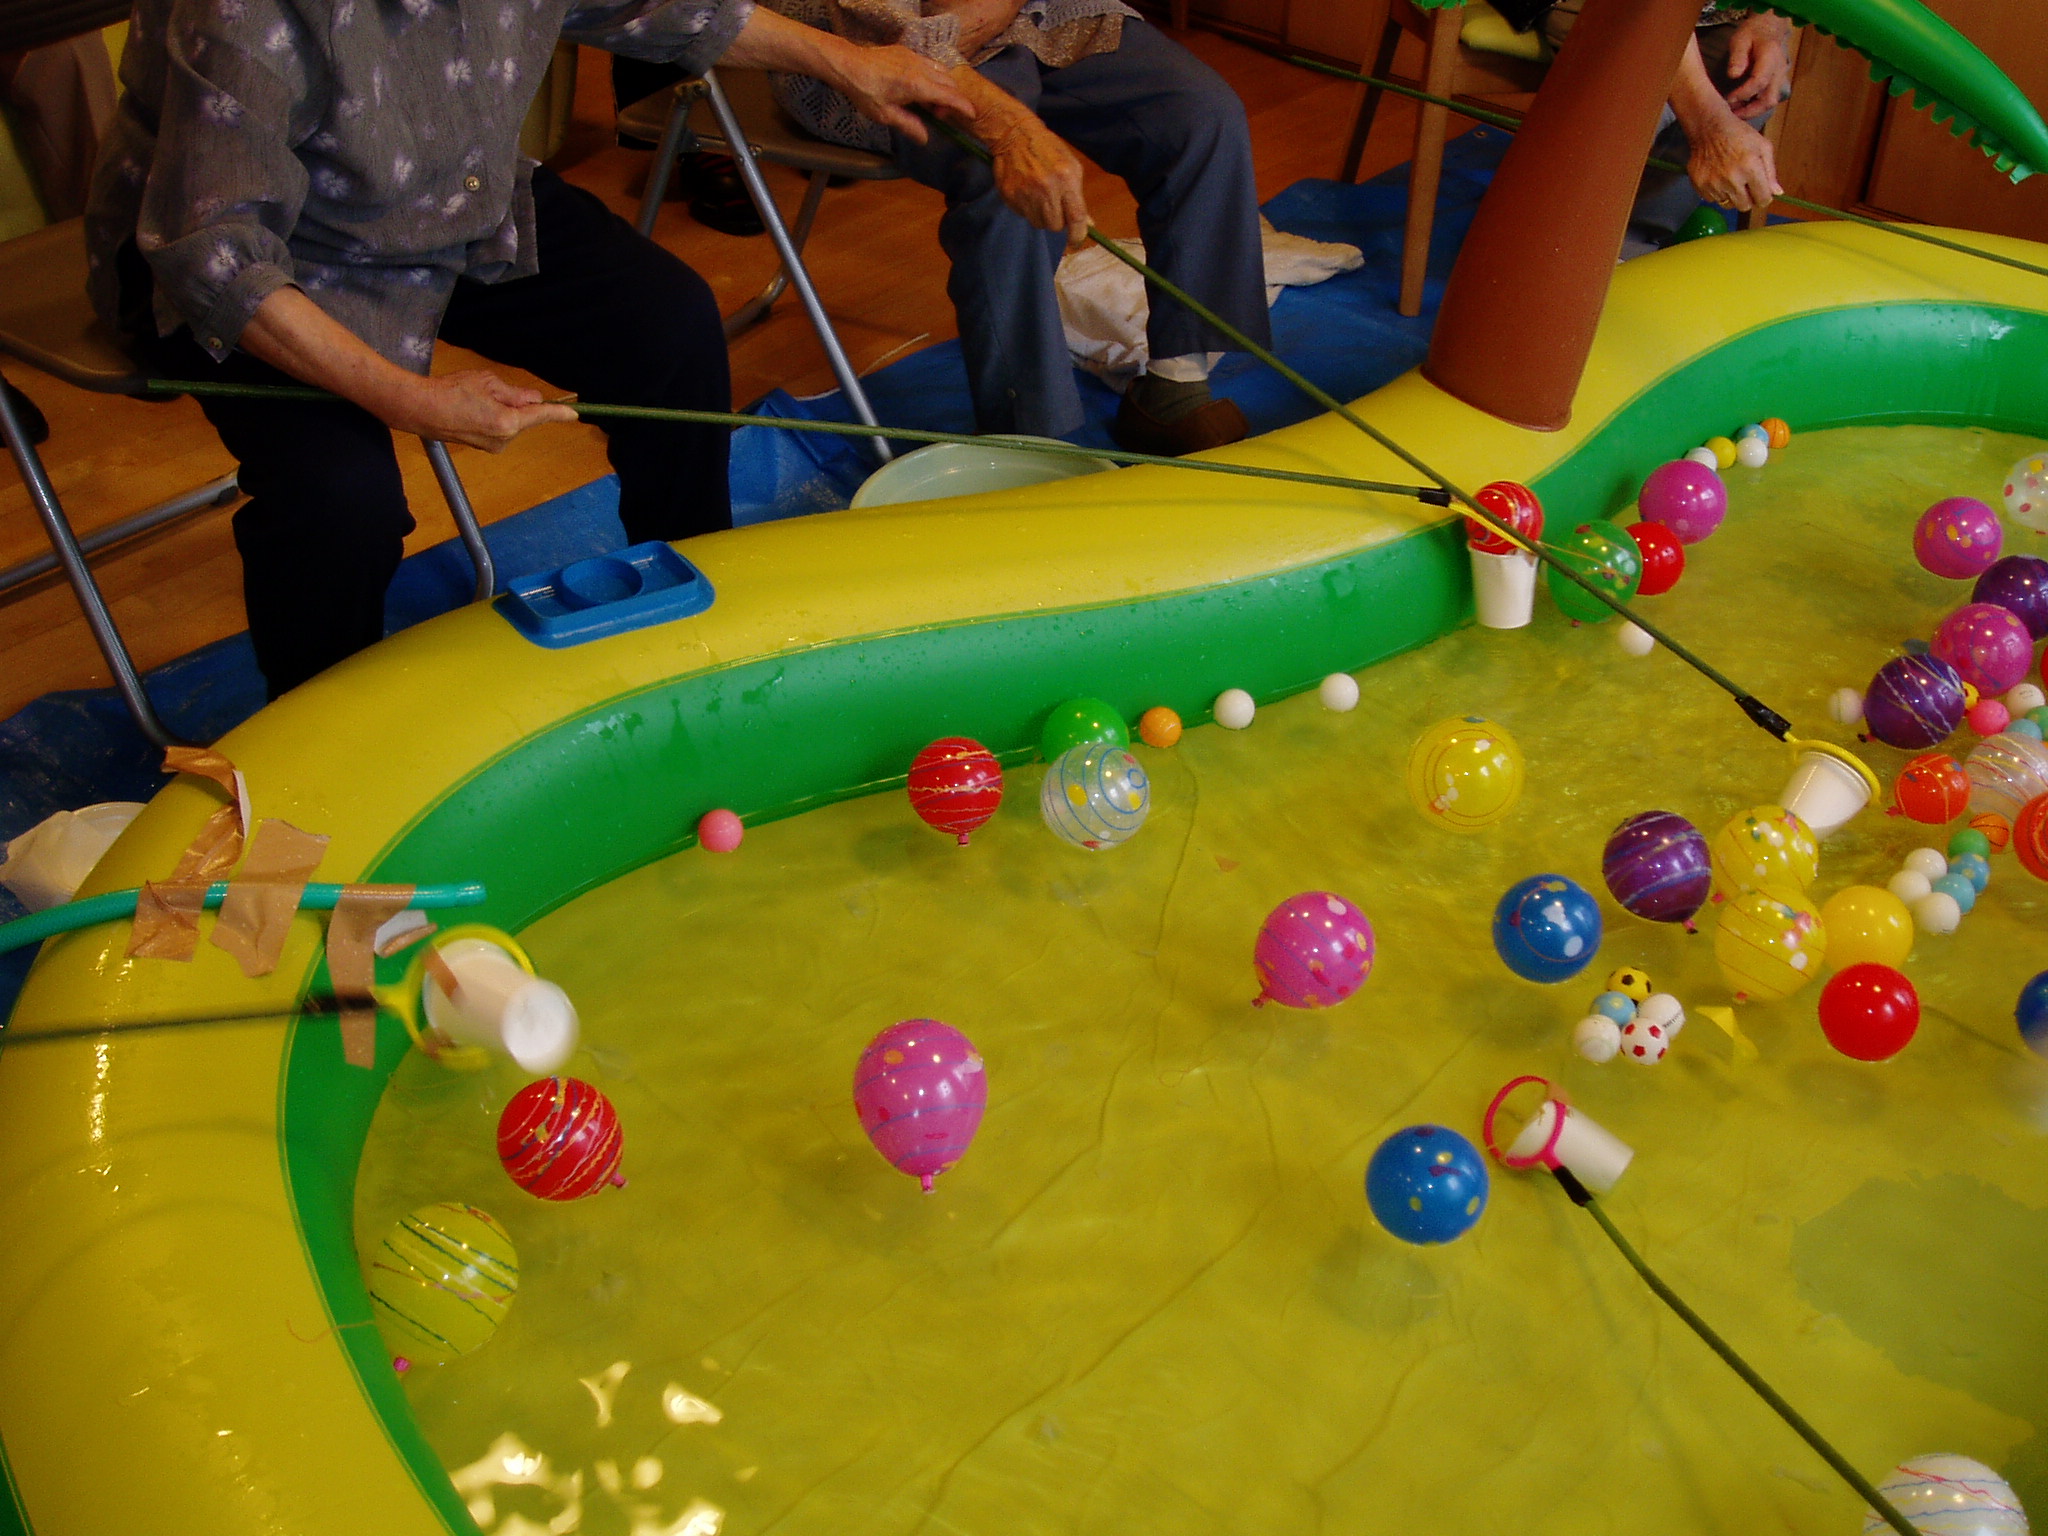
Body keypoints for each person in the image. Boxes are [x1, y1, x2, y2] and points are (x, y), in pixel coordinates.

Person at [84, 0, 970, 699]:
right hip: (262, 252)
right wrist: (410, 399)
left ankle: (691, 608)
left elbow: (666, 6)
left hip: (443, 197)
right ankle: (317, 736)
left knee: (666, 326)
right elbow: (214, 252)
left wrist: (849, 63)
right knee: (339, 500)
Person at [766, 0, 1269, 455]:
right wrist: (1005, 124)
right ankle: (1031, 442)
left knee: (1201, 111)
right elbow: (879, 22)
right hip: (867, 42)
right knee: (1006, 177)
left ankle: (1174, 386)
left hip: (1035, 15)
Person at [1541, 3, 1794, 246]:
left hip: (1709, 15)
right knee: (1642, 93)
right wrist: (1708, 124)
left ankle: (1634, 241)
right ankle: (1567, 239)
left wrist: (1770, 20)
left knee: (1751, 80)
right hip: (1614, 6)